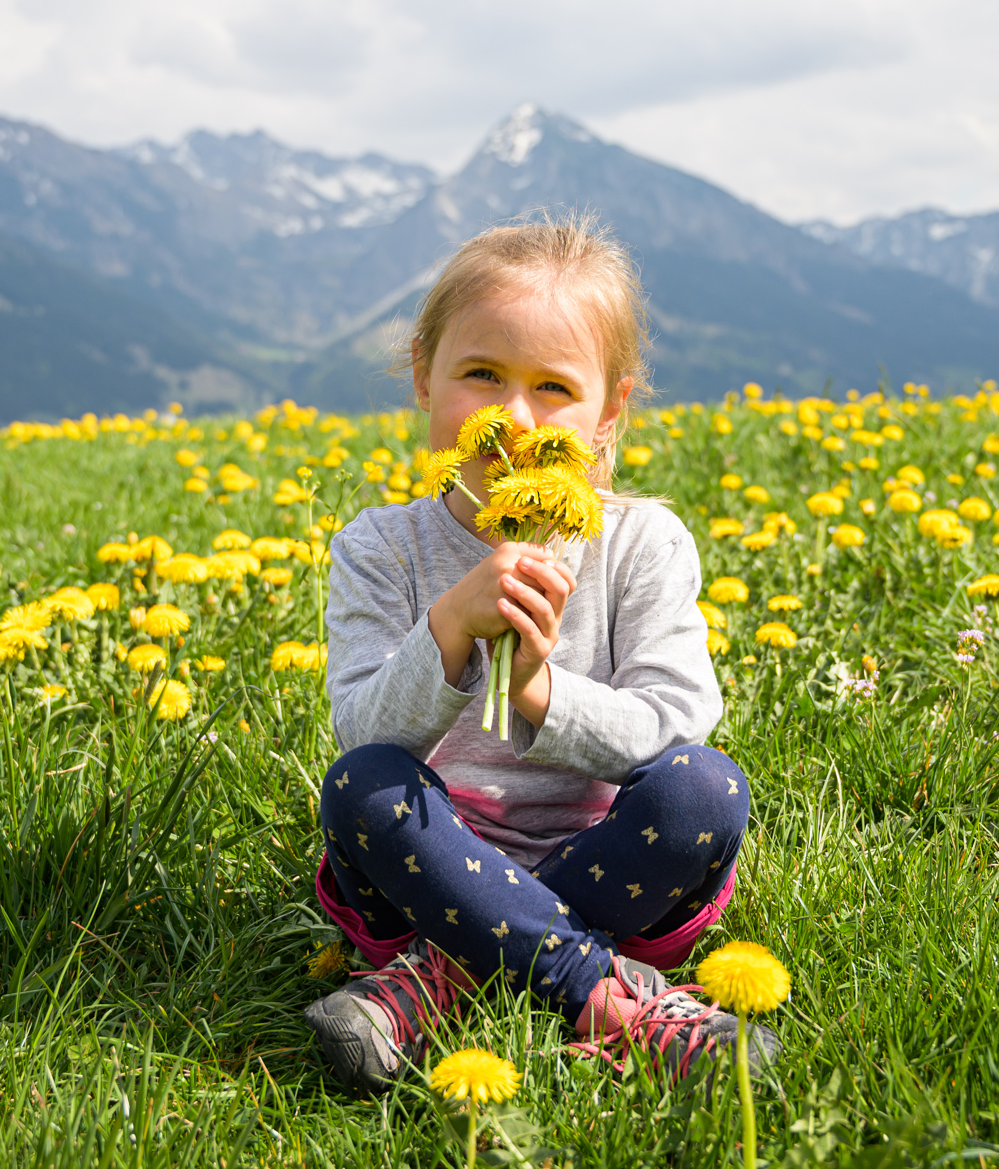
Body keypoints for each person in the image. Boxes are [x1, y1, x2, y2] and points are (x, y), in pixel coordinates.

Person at [302, 215, 780, 1095]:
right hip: (431, 860)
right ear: (422, 374)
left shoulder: (643, 541)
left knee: (705, 788)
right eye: (481, 373)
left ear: (610, 413)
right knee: (361, 786)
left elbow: (677, 719)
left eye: (553, 387)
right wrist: (449, 628)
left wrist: (537, 688)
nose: (514, 417)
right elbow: (360, 728)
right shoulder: (379, 548)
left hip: (604, 849)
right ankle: (610, 996)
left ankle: (444, 973)